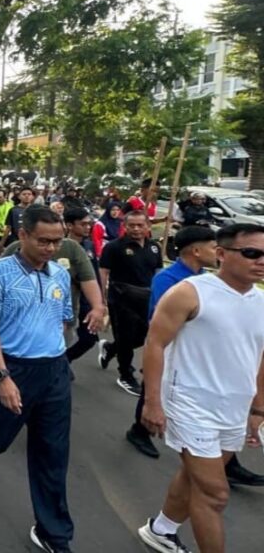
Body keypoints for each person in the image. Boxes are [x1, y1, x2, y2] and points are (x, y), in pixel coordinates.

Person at [137, 223, 264, 553]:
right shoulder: (190, 292)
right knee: (215, 494)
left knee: (194, 475)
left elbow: (261, 357)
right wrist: (152, 402)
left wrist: (258, 409)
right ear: (221, 254)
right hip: (190, 404)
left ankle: (161, 530)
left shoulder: (261, 301)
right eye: (252, 253)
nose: (261, 260)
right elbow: (155, 343)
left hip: (234, 407)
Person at [0, 206, 76, 553]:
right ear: (23, 235)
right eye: (43, 241)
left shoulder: (60, 274)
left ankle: (53, 532)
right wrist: (2, 375)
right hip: (12, 368)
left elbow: (63, 318)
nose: (51, 248)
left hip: (53, 372)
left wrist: (55, 355)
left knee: (53, 452)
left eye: (57, 241)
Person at [124, 226, 217, 460]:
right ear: (196, 251)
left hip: (197, 349)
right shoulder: (168, 279)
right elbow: (159, 320)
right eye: (213, 248)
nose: (218, 253)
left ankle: (226, 458)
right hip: (171, 346)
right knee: (154, 385)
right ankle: (140, 430)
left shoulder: (206, 279)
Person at [98, 210, 161, 396]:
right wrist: (101, 298)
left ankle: (111, 349)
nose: (136, 229)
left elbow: (158, 272)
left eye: (140, 225)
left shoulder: (154, 247)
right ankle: (125, 374)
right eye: (131, 225)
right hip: (121, 297)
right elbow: (103, 272)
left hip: (147, 297)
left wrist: (160, 296)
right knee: (125, 337)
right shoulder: (114, 247)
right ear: (124, 226)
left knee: (144, 335)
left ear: (148, 226)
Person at [60, 208, 106, 364]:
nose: (88, 227)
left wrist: (100, 302)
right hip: (66, 299)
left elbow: (94, 274)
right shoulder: (60, 246)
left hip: (87, 299)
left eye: (89, 224)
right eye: (83, 224)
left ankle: (64, 361)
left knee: (89, 339)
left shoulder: (88, 246)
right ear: (69, 225)